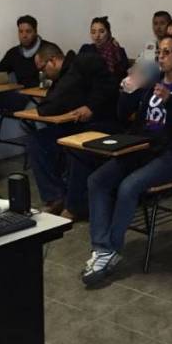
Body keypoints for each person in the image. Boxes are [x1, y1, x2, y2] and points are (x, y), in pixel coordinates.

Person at [81, 34, 172, 285]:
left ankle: (111, 250)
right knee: (98, 180)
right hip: (143, 147)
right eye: (159, 52)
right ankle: (101, 248)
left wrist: (171, 102)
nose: (161, 57)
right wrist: (128, 90)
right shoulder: (152, 83)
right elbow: (123, 115)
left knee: (130, 186)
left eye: (168, 52)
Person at [25, 44, 118, 217]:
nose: (43, 74)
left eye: (43, 69)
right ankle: (55, 196)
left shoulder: (85, 62)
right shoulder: (62, 77)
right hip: (74, 125)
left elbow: (111, 87)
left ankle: (76, 206)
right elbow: (49, 105)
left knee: (75, 148)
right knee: (36, 141)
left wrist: (91, 107)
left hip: (101, 124)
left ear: (53, 61)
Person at [0, 15, 62, 112]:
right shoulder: (13, 53)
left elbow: (61, 77)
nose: (24, 35)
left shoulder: (49, 49)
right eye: (21, 32)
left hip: (45, 96)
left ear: (35, 32)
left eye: (28, 31)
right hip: (22, 95)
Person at [78, 16, 129, 83]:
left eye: (101, 31)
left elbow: (122, 77)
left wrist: (116, 51)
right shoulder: (86, 48)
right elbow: (77, 72)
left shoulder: (119, 51)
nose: (97, 36)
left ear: (109, 33)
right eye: (93, 32)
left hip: (108, 86)